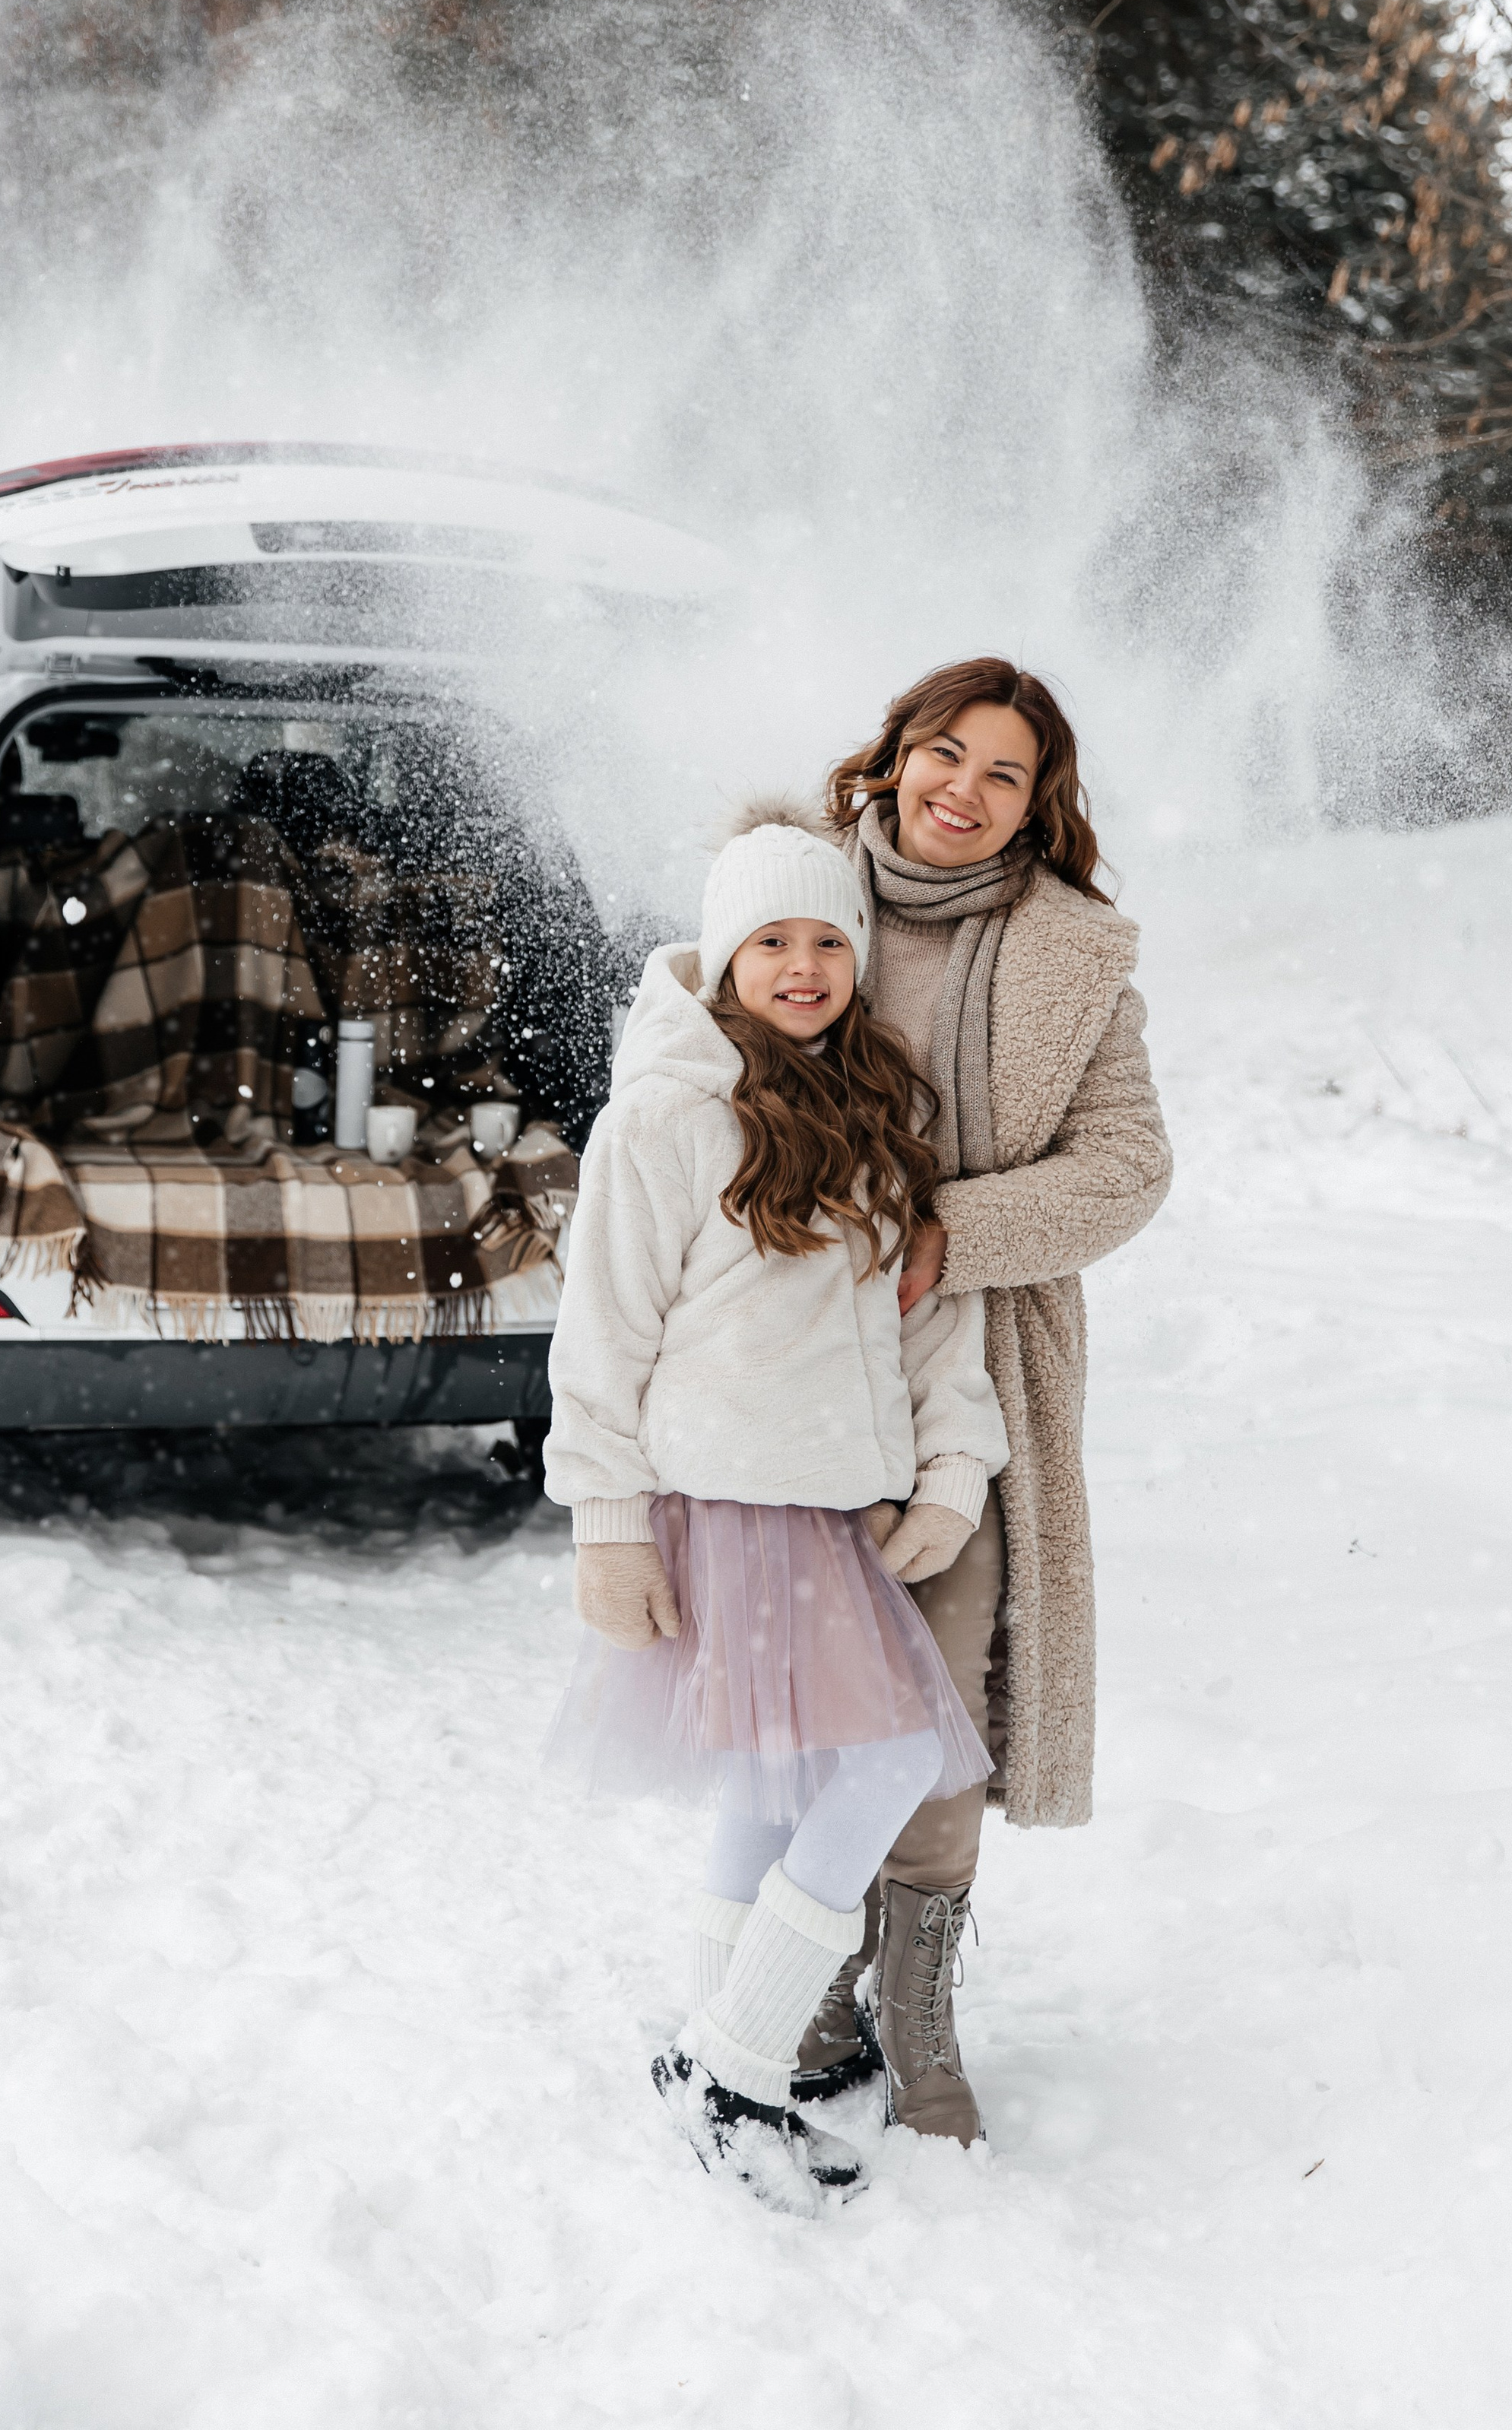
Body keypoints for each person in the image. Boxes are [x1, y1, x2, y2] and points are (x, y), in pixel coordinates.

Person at [541, 805, 1010, 2212]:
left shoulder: (878, 1111)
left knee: (775, 1780)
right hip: (728, 1498)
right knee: (882, 1766)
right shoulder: (667, 1115)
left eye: (827, 940)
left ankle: (719, 2066)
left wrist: (951, 1466)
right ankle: (731, 2060)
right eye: (771, 942)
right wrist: (605, 1519)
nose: (802, 967)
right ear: (724, 953)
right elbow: (602, 1327)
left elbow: (938, 1326)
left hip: (826, 1504)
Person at [788, 657, 1172, 2147]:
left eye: (1000, 772)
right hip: (785, 1371)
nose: (961, 788)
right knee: (803, 1696)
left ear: (1037, 804)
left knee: (940, 1702)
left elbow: (1126, 1165)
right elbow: (683, 1089)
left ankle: (918, 2006)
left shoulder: (1074, 960)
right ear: (889, 759)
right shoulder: (789, 900)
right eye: (940, 753)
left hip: (971, 1383)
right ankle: (801, 1978)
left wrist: (945, 1230)